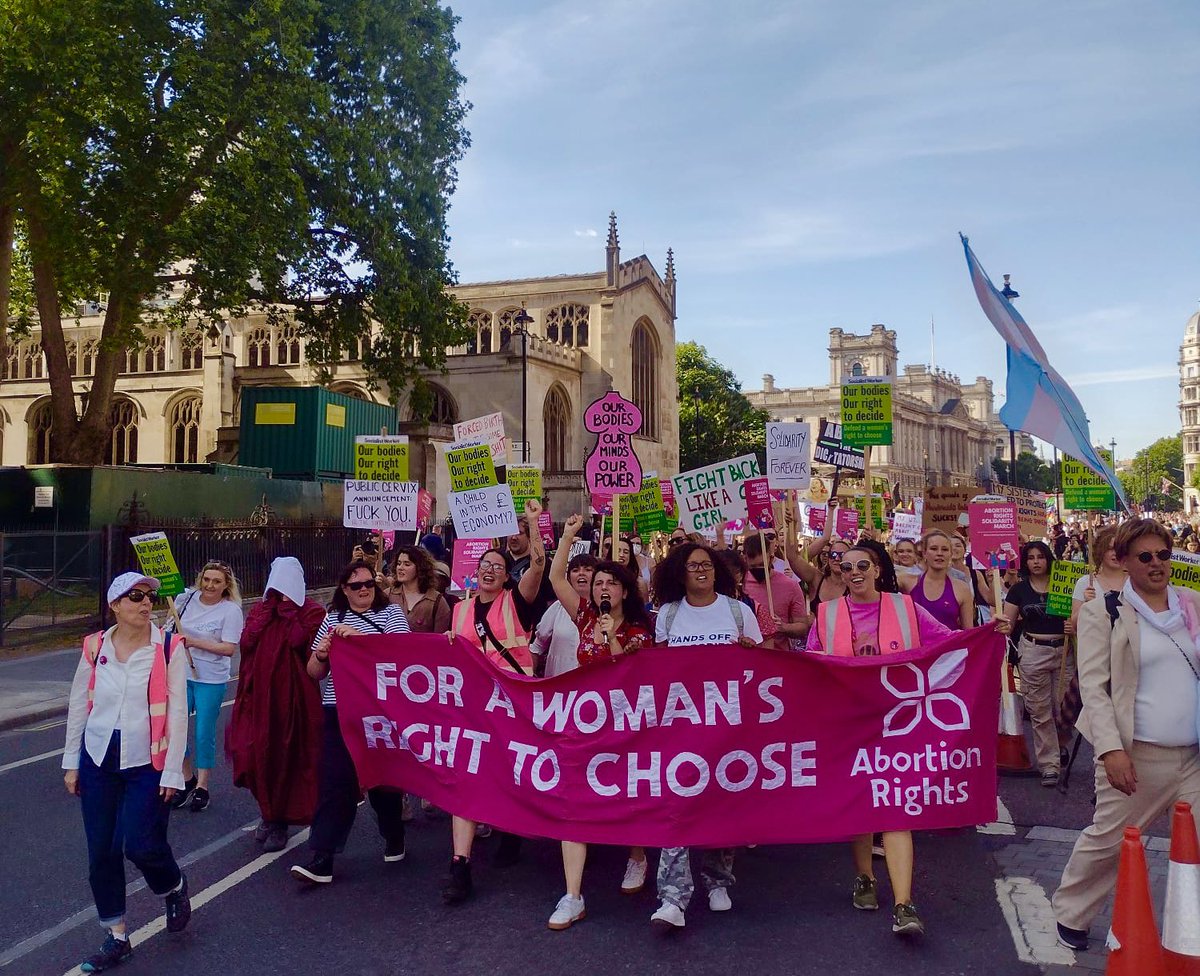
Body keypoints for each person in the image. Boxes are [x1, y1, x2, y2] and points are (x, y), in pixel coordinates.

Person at [805, 544, 998, 938]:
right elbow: (809, 665)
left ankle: (904, 903)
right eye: (846, 567)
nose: (854, 572)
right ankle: (864, 876)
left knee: (893, 808)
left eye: (862, 565)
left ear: (877, 569)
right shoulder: (825, 615)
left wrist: (989, 632)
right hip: (849, 725)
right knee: (861, 803)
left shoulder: (905, 608)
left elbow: (950, 643)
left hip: (899, 724)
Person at [1053, 519, 1200, 951]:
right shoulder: (1105, 611)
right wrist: (1111, 750)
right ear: (1123, 560)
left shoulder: (1192, 603)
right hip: (1137, 755)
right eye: (1146, 556)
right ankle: (1072, 912)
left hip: (1193, 756)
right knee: (1110, 841)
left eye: (1164, 555)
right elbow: (1095, 688)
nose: (1158, 564)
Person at [62, 573, 192, 972]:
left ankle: (173, 886)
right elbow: (79, 704)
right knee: (101, 850)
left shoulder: (169, 646)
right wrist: (71, 762)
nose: (145, 602)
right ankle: (116, 936)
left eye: (148, 596)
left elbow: (177, 712)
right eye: (134, 596)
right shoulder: (95, 645)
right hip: (99, 755)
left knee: (141, 844)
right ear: (114, 604)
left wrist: (173, 771)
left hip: (146, 760)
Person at [544, 514, 654, 930]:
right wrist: (568, 535)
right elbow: (556, 577)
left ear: (626, 590)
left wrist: (612, 636)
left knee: (630, 793)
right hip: (586, 721)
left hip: (627, 725)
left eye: (611, 583)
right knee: (575, 800)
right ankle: (572, 894)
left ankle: (637, 857)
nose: (602, 587)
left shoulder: (642, 630)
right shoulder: (585, 616)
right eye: (599, 582)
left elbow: (627, 668)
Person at [647, 541, 763, 932]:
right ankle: (673, 897)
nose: (701, 571)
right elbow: (658, 670)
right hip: (680, 727)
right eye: (693, 566)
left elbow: (763, 672)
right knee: (676, 807)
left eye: (707, 565)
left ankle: (718, 880)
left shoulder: (738, 611)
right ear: (679, 573)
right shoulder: (669, 613)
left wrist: (750, 652)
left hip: (728, 727)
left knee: (721, 802)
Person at [442, 498, 547, 905]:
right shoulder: (459, 609)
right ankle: (460, 865)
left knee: (508, 771)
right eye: (484, 564)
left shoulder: (516, 601)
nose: (489, 569)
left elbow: (537, 565)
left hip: (512, 704)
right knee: (467, 778)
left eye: (498, 566)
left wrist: (535, 524)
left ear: (507, 576)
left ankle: (509, 831)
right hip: (471, 707)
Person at [289, 560, 410, 885]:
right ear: (344, 590)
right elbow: (314, 672)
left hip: (380, 713)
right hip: (339, 710)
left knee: (384, 783)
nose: (364, 590)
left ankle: (393, 831)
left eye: (369, 583)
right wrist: (324, 654)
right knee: (335, 784)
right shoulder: (331, 619)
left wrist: (357, 638)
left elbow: (403, 655)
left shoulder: (391, 614)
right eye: (356, 586)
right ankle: (322, 858)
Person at [227, 556, 326, 853]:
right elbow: (246, 643)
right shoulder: (260, 610)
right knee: (253, 754)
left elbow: (303, 644)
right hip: (257, 696)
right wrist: (269, 611)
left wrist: (288, 611)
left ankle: (279, 818)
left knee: (286, 757)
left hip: (293, 699)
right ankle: (269, 812)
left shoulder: (311, 612)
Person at [168, 560, 244, 813]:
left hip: (210, 677)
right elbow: (170, 628)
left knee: (203, 731)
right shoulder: (185, 599)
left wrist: (194, 642)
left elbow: (229, 648)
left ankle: (202, 785)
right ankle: (186, 777)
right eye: (206, 579)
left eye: (216, 582)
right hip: (180, 673)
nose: (210, 585)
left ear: (226, 586)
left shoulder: (230, 611)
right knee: (173, 729)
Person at [1003, 541, 1076, 787]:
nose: (1036, 561)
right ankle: (1049, 765)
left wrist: (1075, 620)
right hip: (1034, 651)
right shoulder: (1019, 591)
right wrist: (1001, 625)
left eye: (1040, 557)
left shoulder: (1065, 585)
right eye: (1031, 557)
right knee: (1039, 710)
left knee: (1064, 708)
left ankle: (1060, 744)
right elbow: (1007, 624)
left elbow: (1082, 613)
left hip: (1064, 650)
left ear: (1048, 559)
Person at [530, 553, 597, 679]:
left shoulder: (607, 610)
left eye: (588, 570)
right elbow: (537, 647)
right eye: (575, 570)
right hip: (559, 685)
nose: (581, 573)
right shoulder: (557, 608)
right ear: (569, 578)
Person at [742, 533, 809, 648]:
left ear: (771, 558)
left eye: (762, 565)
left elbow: (803, 627)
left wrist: (783, 627)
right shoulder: (740, 584)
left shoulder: (790, 585)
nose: (758, 570)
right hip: (746, 658)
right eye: (753, 566)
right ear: (745, 559)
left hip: (778, 658)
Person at [900, 530, 974, 631]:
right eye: (934, 549)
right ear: (924, 553)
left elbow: (968, 633)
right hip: (918, 646)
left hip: (949, 645)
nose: (939, 553)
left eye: (944, 549)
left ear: (950, 554)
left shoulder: (962, 589)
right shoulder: (906, 582)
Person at [387, 545, 452, 633]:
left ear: (420, 568)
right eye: (398, 563)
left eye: (407, 564)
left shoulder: (437, 601)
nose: (400, 568)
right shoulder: (387, 595)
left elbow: (440, 640)